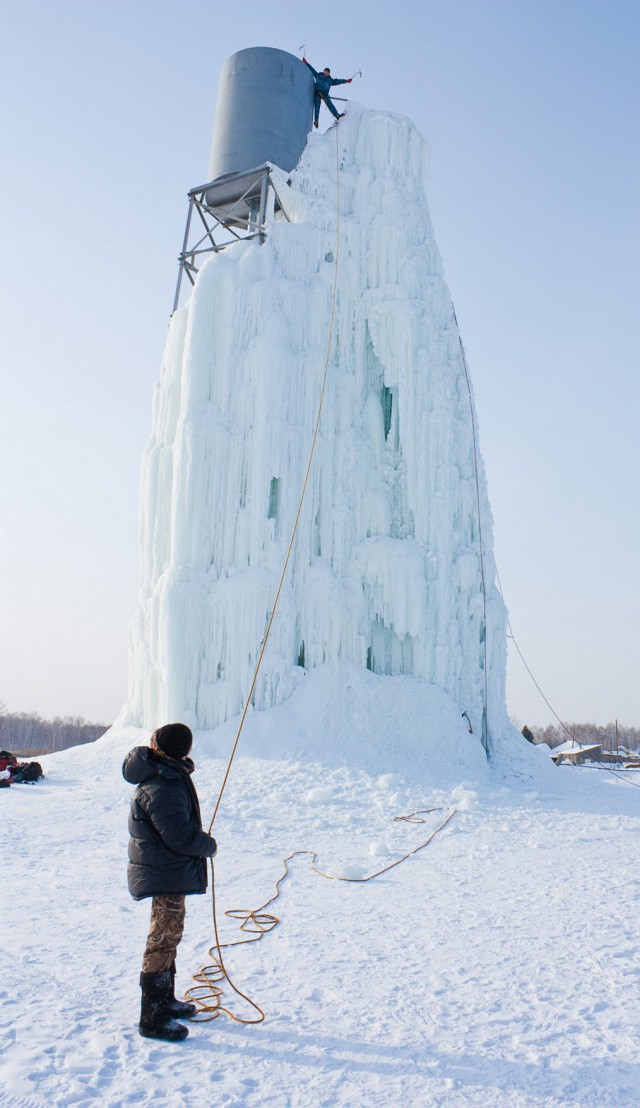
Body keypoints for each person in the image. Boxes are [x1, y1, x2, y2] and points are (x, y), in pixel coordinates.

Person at [122, 722, 217, 1042]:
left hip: (168, 871)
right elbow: (179, 836)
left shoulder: (167, 775)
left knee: (170, 935)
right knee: (162, 939)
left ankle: (167, 1001)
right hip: (165, 872)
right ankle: (152, 1017)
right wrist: (208, 845)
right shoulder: (162, 785)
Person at [302, 57, 352, 128]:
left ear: (329, 74)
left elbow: (338, 81)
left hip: (325, 94)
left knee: (329, 104)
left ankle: (337, 115)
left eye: (327, 72)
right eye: (325, 71)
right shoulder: (318, 75)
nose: (326, 73)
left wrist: (347, 81)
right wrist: (306, 63)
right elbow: (312, 70)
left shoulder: (330, 80)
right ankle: (316, 120)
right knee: (317, 105)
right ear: (323, 71)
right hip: (317, 93)